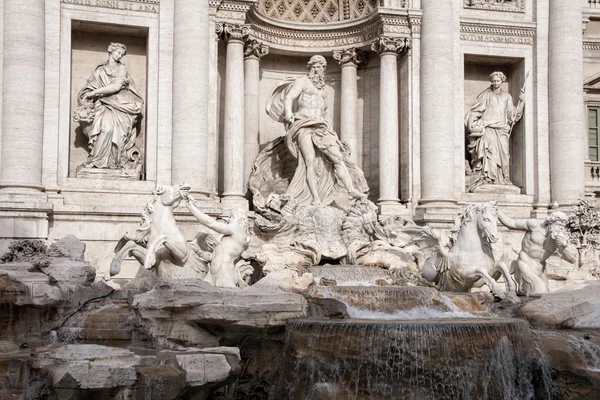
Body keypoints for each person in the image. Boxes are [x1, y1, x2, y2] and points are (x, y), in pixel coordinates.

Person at [266, 55, 367, 207]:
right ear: (310, 67)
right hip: (303, 124)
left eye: (321, 67)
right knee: (309, 162)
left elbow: (325, 112)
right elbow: (289, 98)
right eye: (316, 66)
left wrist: (330, 128)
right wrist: (288, 112)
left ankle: (351, 190)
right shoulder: (302, 82)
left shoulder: (323, 90)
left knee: (338, 158)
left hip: (321, 126)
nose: (318, 69)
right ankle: (315, 198)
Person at [76, 42, 144, 169]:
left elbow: (116, 86)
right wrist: (87, 94)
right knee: (105, 129)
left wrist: (95, 92)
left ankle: (113, 162)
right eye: (118, 52)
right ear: (110, 51)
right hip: (102, 104)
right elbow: (90, 86)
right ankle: (96, 160)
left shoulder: (121, 68)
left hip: (120, 104)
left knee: (113, 132)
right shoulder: (100, 70)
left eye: (122, 54)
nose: (120, 56)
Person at [465, 71, 524, 191]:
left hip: (502, 129)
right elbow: (476, 110)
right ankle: (487, 178)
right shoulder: (485, 95)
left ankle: (503, 178)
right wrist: (471, 123)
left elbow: (512, 115)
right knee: (489, 154)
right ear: (491, 81)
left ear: (502, 81)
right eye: (494, 81)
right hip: (488, 128)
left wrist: (522, 102)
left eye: (498, 81)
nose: (496, 83)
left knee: (504, 154)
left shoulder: (507, 97)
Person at [498, 211, 577, 296]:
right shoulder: (535, 225)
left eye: (563, 226)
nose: (561, 228)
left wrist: (563, 247)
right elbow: (511, 223)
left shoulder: (561, 239)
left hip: (541, 270)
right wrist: (496, 212)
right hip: (525, 264)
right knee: (539, 292)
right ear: (550, 223)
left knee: (545, 298)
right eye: (558, 224)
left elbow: (572, 259)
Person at [185, 194, 251, 288]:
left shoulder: (236, 230)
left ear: (240, 220)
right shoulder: (236, 237)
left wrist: (191, 208)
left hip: (223, 272)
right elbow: (216, 255)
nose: (229, 219)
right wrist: (199, 252)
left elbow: (211, 223)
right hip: (215, 272)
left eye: (232, 217)